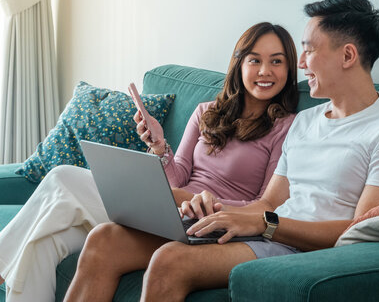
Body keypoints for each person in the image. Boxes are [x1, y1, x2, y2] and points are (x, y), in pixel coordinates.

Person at [64, 0, 379, 302]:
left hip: (302, 249)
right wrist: (214, 208)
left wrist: (264, 224)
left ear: (347, 55)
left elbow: (360, 233)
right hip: (269, 230)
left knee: (170, 260)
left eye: (308, 51)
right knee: (106, 238)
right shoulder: (307, 121)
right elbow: (268, 202)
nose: (301, 64)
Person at [0, 22, 299, 302]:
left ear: (289, 68)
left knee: (63, 177)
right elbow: (177, 176)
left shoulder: (287, 128)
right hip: (166, 206)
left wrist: (201, 202)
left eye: (277, 61)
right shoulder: (206, 111)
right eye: (255, 60)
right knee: (49, 240)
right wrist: (159, 147)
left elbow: (264, 204)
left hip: (208, 217)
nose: (265, 71)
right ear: (239, 64)